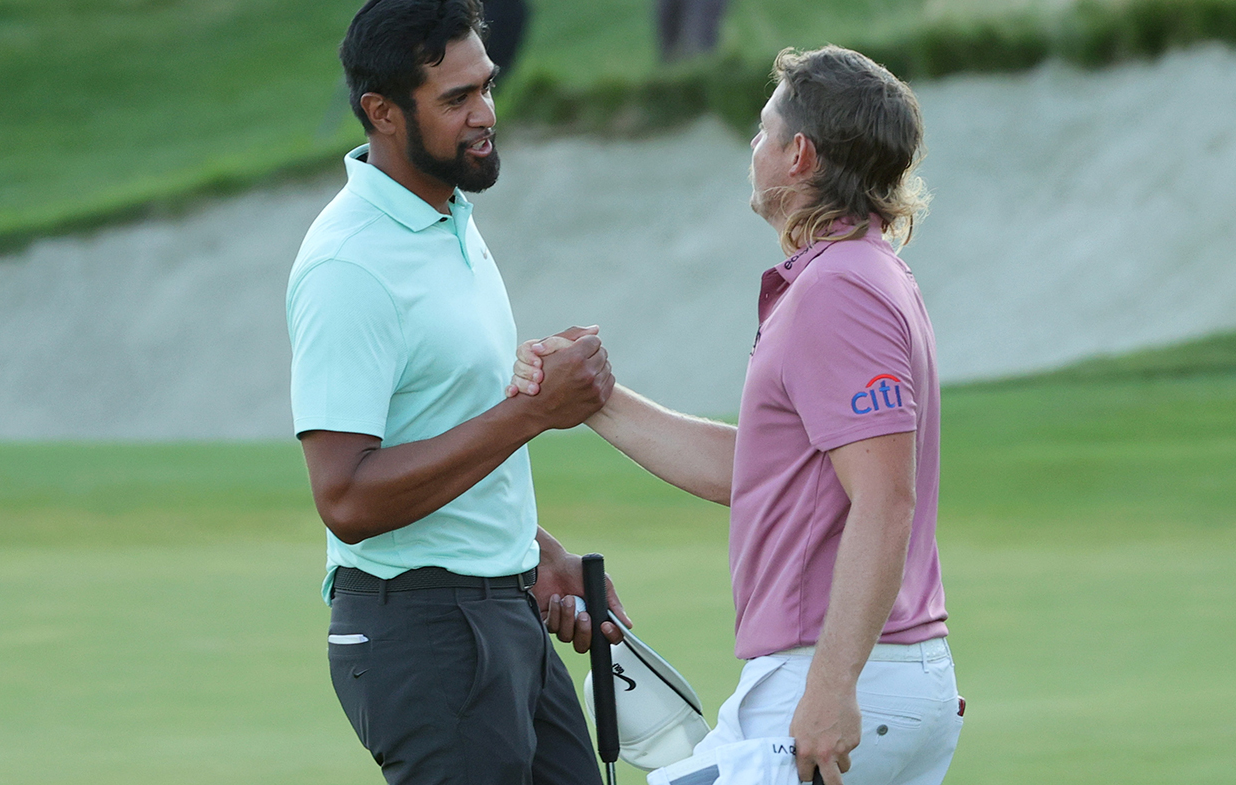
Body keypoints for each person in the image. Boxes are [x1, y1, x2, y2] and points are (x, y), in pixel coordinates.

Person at [511, 45, 962, 785]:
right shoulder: (859, 275)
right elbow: (756, 472)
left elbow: (886, 499)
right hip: (864, 676)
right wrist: (591, 398)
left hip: (831, 678)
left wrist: (833, 686)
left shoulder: (839, 291)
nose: (752, 148)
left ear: (799, 155)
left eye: (762, 131)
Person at [286, 1, 630, 782]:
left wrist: (533, 552)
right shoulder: (350, 267)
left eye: (486, 87)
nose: (485, 116)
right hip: (424, 635)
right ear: (382, 113)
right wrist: (536, 412)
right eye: (455, 100)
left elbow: (445, 423)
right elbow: (345, 497)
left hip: (504, 611)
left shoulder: (448, 215)